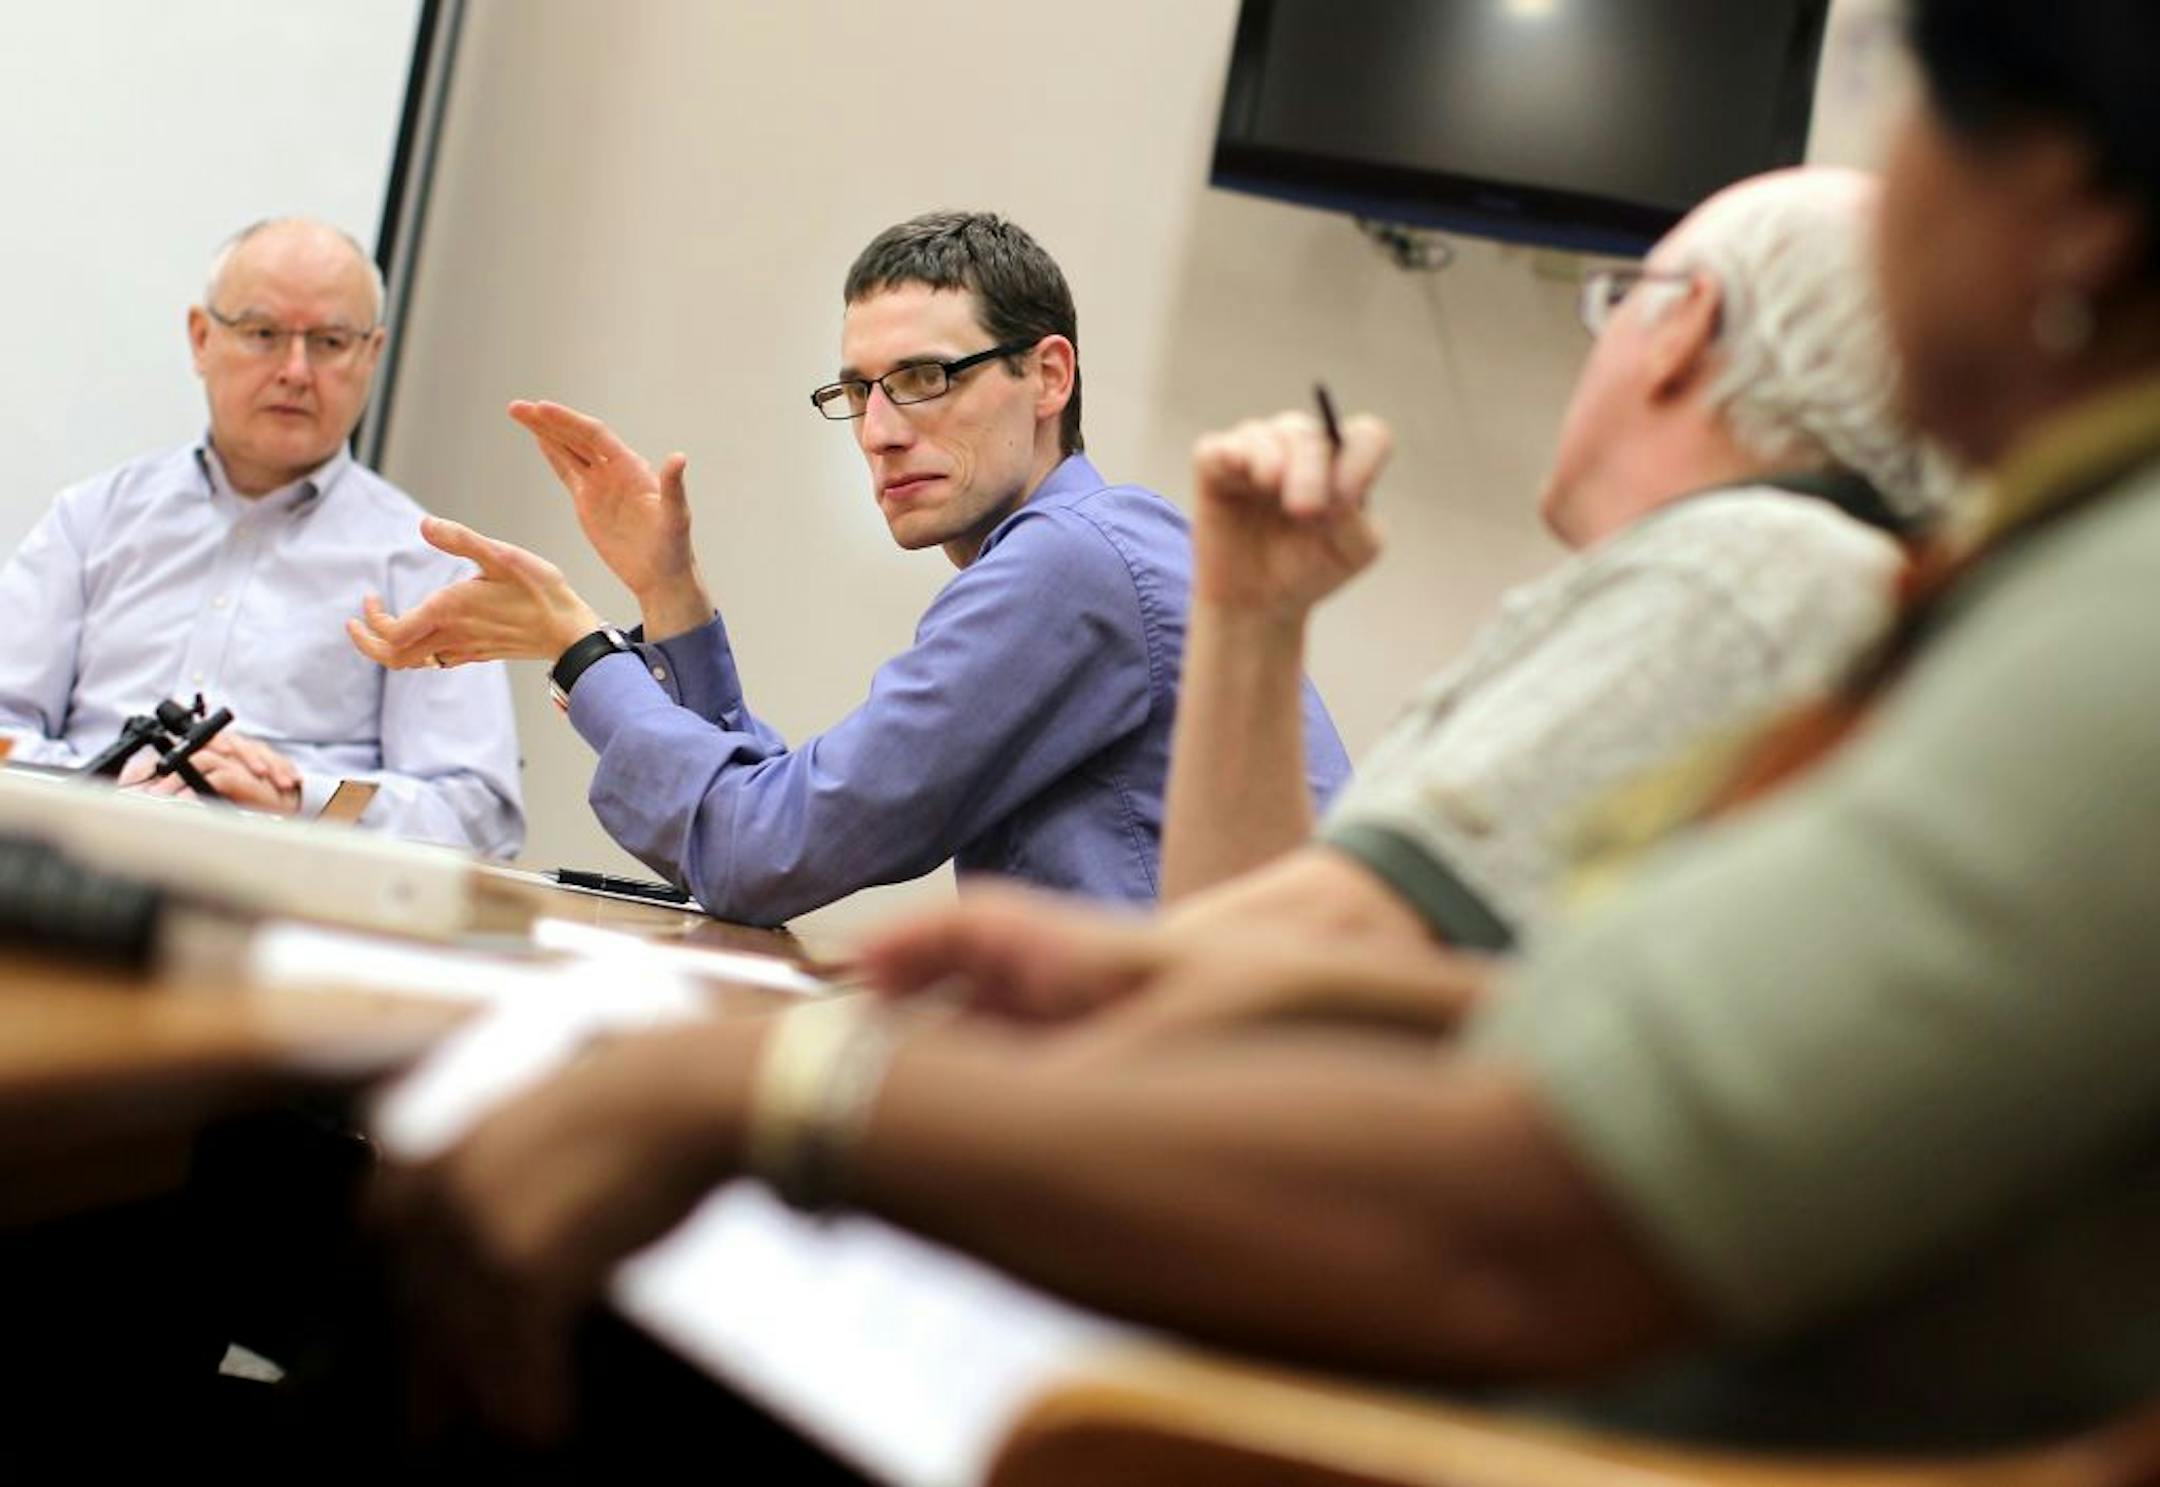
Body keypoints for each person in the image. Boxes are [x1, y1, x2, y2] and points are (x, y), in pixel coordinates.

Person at [381, 0, 2160, 1455]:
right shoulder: (2009, 587)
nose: (885, 424)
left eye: (1636, 301)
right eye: (865, 389)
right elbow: (1613, 1021)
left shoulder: (1841, 583)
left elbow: (1536, 1198)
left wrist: (784, 1082)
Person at [348, 211, 1349, 923]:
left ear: (1048, 375)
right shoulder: (1099, 543)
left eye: (922, 379)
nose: (876, 431)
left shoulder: (1072, 566)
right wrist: (669, 594)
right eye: (857, 390)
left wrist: (579, 653)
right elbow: (787, 810)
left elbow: (760, 850)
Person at [1161, 166, 1953, 954]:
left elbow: (1290, 966)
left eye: (1621, 298)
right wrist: (1251, 619)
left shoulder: (1743, 574)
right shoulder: (1811, 588)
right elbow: (1259, 987)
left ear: (1685, 323)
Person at [0, 218, 523, 856]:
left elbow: (478, 817)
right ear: (200, 338)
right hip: (72, 869)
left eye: (330, 341)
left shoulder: (424, 563)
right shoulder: (92, 519)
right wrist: (110, 777)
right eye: (263, 334)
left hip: (297, 898)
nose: (296, 371)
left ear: (372, 355)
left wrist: (294, 796)